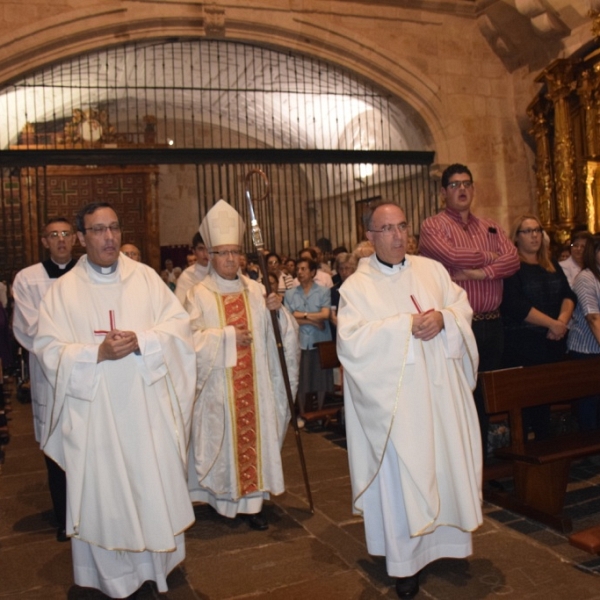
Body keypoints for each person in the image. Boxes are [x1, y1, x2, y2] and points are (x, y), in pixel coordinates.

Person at [33, 202, 197, 598]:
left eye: (114, 228)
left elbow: (178, 328)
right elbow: (47, 348)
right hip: (96, 418)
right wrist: (96, 354)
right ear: (82, 238)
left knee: (147, 484)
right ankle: (107, 577)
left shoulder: (145, 279)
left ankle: (153, 567)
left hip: (145, 413)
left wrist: (144, 340)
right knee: (105, 497)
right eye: (98, 230)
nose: (109, 237)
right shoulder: (64, 291)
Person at [337, 202, 482, 599]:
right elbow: (350, 343)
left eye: (402, 226)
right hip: (396, 408)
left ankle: (448, 545)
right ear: (370, 237)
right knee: (403, 482)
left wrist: (445, 319)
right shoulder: (356, 287)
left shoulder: (431, 269)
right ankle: (405, 565)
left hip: (438, 397)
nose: (398, 236)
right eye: (387, 229)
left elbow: (461, 307)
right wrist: (405, 328)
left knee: (443, 465)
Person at [185, 200, 299, 531]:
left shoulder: (257, 290)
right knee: (223, 443)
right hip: (220, 389)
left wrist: (278, 311)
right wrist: (225, 337)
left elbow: (282, 337)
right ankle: (220, 500)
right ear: (209, 255)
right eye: (222, 253)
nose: (230, 259)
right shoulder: (198, 295)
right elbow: (187, 340)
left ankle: (253, 504)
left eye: (235, 252)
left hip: (256, 386)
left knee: (255, 438)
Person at [419, 163, 519, 457]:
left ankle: (483, 461)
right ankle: (462, 461)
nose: (461, 189)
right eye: (454, 185)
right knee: (461, 395)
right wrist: (491, 256)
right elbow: (450, 254)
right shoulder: (433, 226)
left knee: (487, 397)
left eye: (466, 184)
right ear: (443, 192)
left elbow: (512, 260)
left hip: (492, 324)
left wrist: (477, 273)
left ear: (473, 189)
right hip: (459, 325)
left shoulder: (490, 225)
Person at [12, 217, 77, 542]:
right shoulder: (28, 279)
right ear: (44, 241)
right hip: (49, 376)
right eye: (54, 235)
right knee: (57, 448)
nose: (61, 240)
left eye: (66, 234)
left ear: (76, 239)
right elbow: (30, 327)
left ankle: (91, 514)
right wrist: (73, 344)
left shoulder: (88, 273)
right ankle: (65, 517)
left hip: (84, 372)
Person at [500, 214, 576, 440]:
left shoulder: (551, 264)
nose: (534, 235)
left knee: (546, 406)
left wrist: (561, 323)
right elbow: (515, 305)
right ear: (516, 237)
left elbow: (568, 294)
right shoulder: (513, 267)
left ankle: (547, 456)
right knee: (527, 408)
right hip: (523, 346)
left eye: (537, 230)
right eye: (528, 231)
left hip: (552, 343)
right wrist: (553, 324)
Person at [284, 258, 334, 415]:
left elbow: (325, 314)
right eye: (298, 269)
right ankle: (303, 411)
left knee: (319, 377)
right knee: (301, 376)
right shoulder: (290, 293)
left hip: (319, 339)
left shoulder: (323, 291)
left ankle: (319, 411)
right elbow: (289, 318)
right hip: (300, 340)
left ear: (313, 272)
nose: (299, 272)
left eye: (303, 269)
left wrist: (301, 315)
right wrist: (312, 321)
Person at [567, 234, 600, 430]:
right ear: (593, 252)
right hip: (587, 351)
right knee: (590, 403)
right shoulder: (586, 277)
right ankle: (589, 454)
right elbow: (593, 317)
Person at [175, 232, 210, 304]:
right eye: (201, 249)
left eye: (208, 249)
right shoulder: (186, 277)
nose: (205, 253)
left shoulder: (222, 272)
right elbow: (180, 306)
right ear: (194, 251)